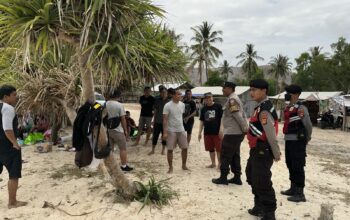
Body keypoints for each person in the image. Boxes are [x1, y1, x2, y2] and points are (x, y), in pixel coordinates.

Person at [245, 79, 281, 220]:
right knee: (251, 176)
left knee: (262, 180)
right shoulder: (259, 107)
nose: (251, 92)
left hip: (263, 150)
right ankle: (259, 205)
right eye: (251, 89)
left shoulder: (264, 110)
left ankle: (269, 212)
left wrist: (276, 152)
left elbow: (271, 133)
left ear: (264, 91)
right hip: (256, 149)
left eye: (254, 89)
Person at [281, 85, 312, 202]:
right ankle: (293, 188)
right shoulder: (289, 107)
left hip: (298, 141)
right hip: (289, 140)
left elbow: (308, 125)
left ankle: (300, 193)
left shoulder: (301, 108)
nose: (287, 94)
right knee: (290, 164)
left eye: (289, 93)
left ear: (296, 95)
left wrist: (307, 138)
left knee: (298, 165)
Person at [212, 82, 248, 185]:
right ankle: (237, 177)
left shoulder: (232, 100)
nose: (222, 90)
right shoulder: (233, 99)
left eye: (224, 88)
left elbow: (238, 116)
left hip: (233, 133)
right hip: (235, 132)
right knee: (235, 155)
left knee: (225, 154)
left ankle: (223, 177)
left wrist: (245, 128)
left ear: (230, 89)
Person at [0, 85, 28, 209]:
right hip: (7, 147)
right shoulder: (7, 108)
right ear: (6, 97)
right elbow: (7, 128)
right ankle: (12, 202)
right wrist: (14, 143)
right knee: (14, 174)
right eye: (14, 95)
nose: (16, 97)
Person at [105, 89, 133, 172]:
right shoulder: (119, 105)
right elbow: (123, 119)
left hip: (108, 130)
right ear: (118, 96)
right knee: (123, 148)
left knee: (110, 149)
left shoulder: (105, 104)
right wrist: (125, 130)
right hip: (118, 130)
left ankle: (110, 166)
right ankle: (124, 166)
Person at [163, 88, 189, 173]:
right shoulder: (167, 105)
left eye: (180, 94)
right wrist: (165, 132)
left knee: (185, 148)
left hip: (181, 129)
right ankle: (170, 167)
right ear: (173, 95)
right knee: (170, 150)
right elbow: (165, 120)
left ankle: (184, 165)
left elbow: (180, 116)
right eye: (178, 94)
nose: (180, 96)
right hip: (171, 130)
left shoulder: (182, 105)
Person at [198, 92, 223, 168]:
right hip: (207, 132)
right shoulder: (203, 109)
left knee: (219, 149)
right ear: (204, 99)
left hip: (217, 132)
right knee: (210, 148)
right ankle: (213, 163)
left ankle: (220, 164)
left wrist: (221, 129)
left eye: (209, 97)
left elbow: (222, 118)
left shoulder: (218, 106)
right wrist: (199, 132)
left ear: (212, 97)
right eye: (206, 98)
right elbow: (202, 121)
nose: (208, 99)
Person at [149, 87, 169, 155]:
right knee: (155, 136)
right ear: (160, 93)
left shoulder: (169, 102)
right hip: (157, 121)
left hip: (166, 123)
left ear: (167, 93)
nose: (163, 94)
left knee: (164, 136)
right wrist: (153, 120)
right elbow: (155, 111)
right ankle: (153, 150)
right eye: (162, 92)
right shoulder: (157, 100)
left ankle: (163, 150)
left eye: (165, 92)